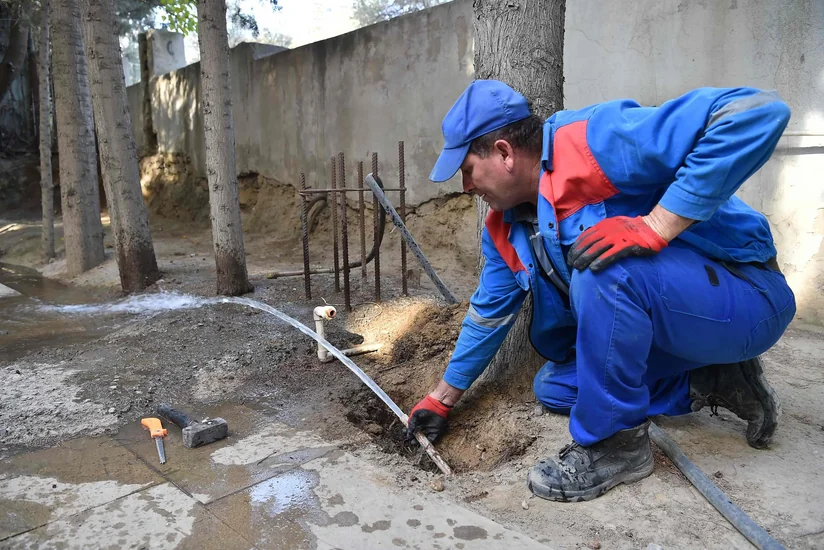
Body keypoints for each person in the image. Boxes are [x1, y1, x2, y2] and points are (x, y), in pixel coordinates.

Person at [405, 80, 796, 502]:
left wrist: (658, 225)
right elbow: (488, 314)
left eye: (466, 170)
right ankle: (711, 378)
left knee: (603, 268)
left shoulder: (592, 141)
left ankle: (616, 445)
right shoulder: (505, 228)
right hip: (693, 328)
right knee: (557, 388)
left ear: (503, 153)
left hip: (748, 297)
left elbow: (756, 110)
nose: (466, 187)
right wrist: (441, 399)